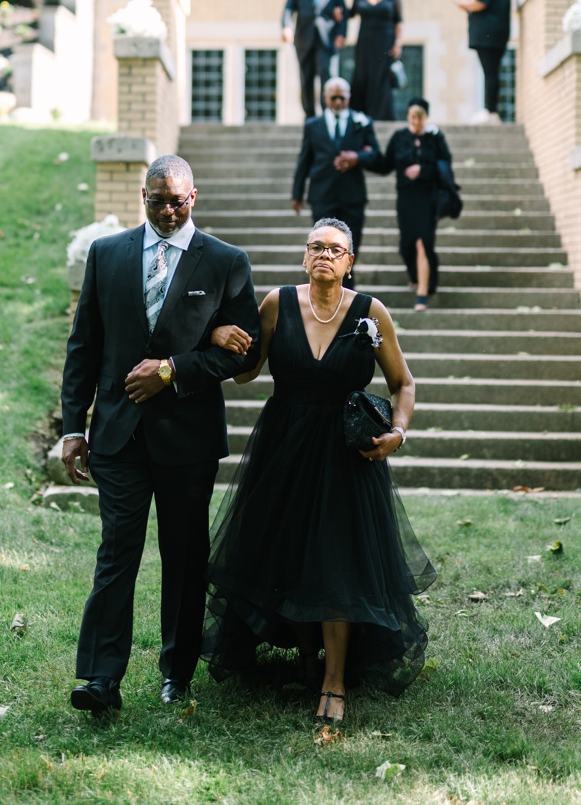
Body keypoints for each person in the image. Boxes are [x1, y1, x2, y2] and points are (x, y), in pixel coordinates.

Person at [201, 219, 436, 725]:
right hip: (284, 450)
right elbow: (245, 371)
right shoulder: (275, 304)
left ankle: (333, 681)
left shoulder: (372, 313)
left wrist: (398, 431)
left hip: (346, 457)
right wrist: (216, 331)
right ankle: (307, 661)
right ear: (304, 256)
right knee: (288, 554)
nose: (324, 255)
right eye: (316, 247)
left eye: (335, 249)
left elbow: (404, 383)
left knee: (336, 564)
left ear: (350, 261)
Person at [60, 155, 261, 715]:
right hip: (118, 437)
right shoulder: (108, 254)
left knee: (184, 557)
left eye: (178, 201)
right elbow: (84, 347)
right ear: (141, 196)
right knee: (116, 554)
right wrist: (74, 426)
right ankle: (99, 679)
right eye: (157, 200)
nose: (168, 210)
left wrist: (174, 368)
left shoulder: (226, 262)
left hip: (188, 437)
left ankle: (177, 673)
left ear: (194, 197)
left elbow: (245, 358)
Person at [291, 77, 381, 290]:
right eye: (334, 97)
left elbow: (377, 156)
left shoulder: (362, 122)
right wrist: (297, 193)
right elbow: (304, 160)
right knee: (322, 245)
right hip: (322, 194)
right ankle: (320, 289)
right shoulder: (313, 125)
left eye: (342, 97)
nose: (338, 102)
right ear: (325, 98)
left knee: (349, 247)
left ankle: (349, 293)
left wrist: (357, 157)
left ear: (349, 98)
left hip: (352, 196)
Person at [377, 98, 453, 311]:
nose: (416, 122)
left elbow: (445, 165)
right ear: (408, 117)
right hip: (406, 197)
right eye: (412, 117)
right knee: (407, 244)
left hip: (428, 196)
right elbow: (385, 165)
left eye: (419, 118)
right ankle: (417, 276)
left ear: (425, 118)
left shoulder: (435, 139)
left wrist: (423, 170)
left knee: (424, 243)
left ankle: (421, 294)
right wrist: (364, 157)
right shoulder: (400, 137)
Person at [282, 0, 347, 118]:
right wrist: (286, 26)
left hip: (327, 38)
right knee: (306, 77)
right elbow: (289, 7)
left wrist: (341, 34)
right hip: (304, 37)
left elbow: (343, 11)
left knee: (327, 74)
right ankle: (309, 115)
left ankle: (328, 113)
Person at [457, 0, 511, 123]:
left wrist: (464, 4)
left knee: (489, 73)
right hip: (499, 34)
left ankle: (490, 111)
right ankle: (492, 110)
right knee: (493, 72)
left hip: (486, 35)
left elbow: (481, 1)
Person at [348, 0, 403, 122]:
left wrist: (398, 43)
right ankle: (361, 114)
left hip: (385, 42)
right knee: (362, 75)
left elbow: (399, 21)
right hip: (365, 42)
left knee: (381, 78)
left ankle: (381, 116)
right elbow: (350, 13)